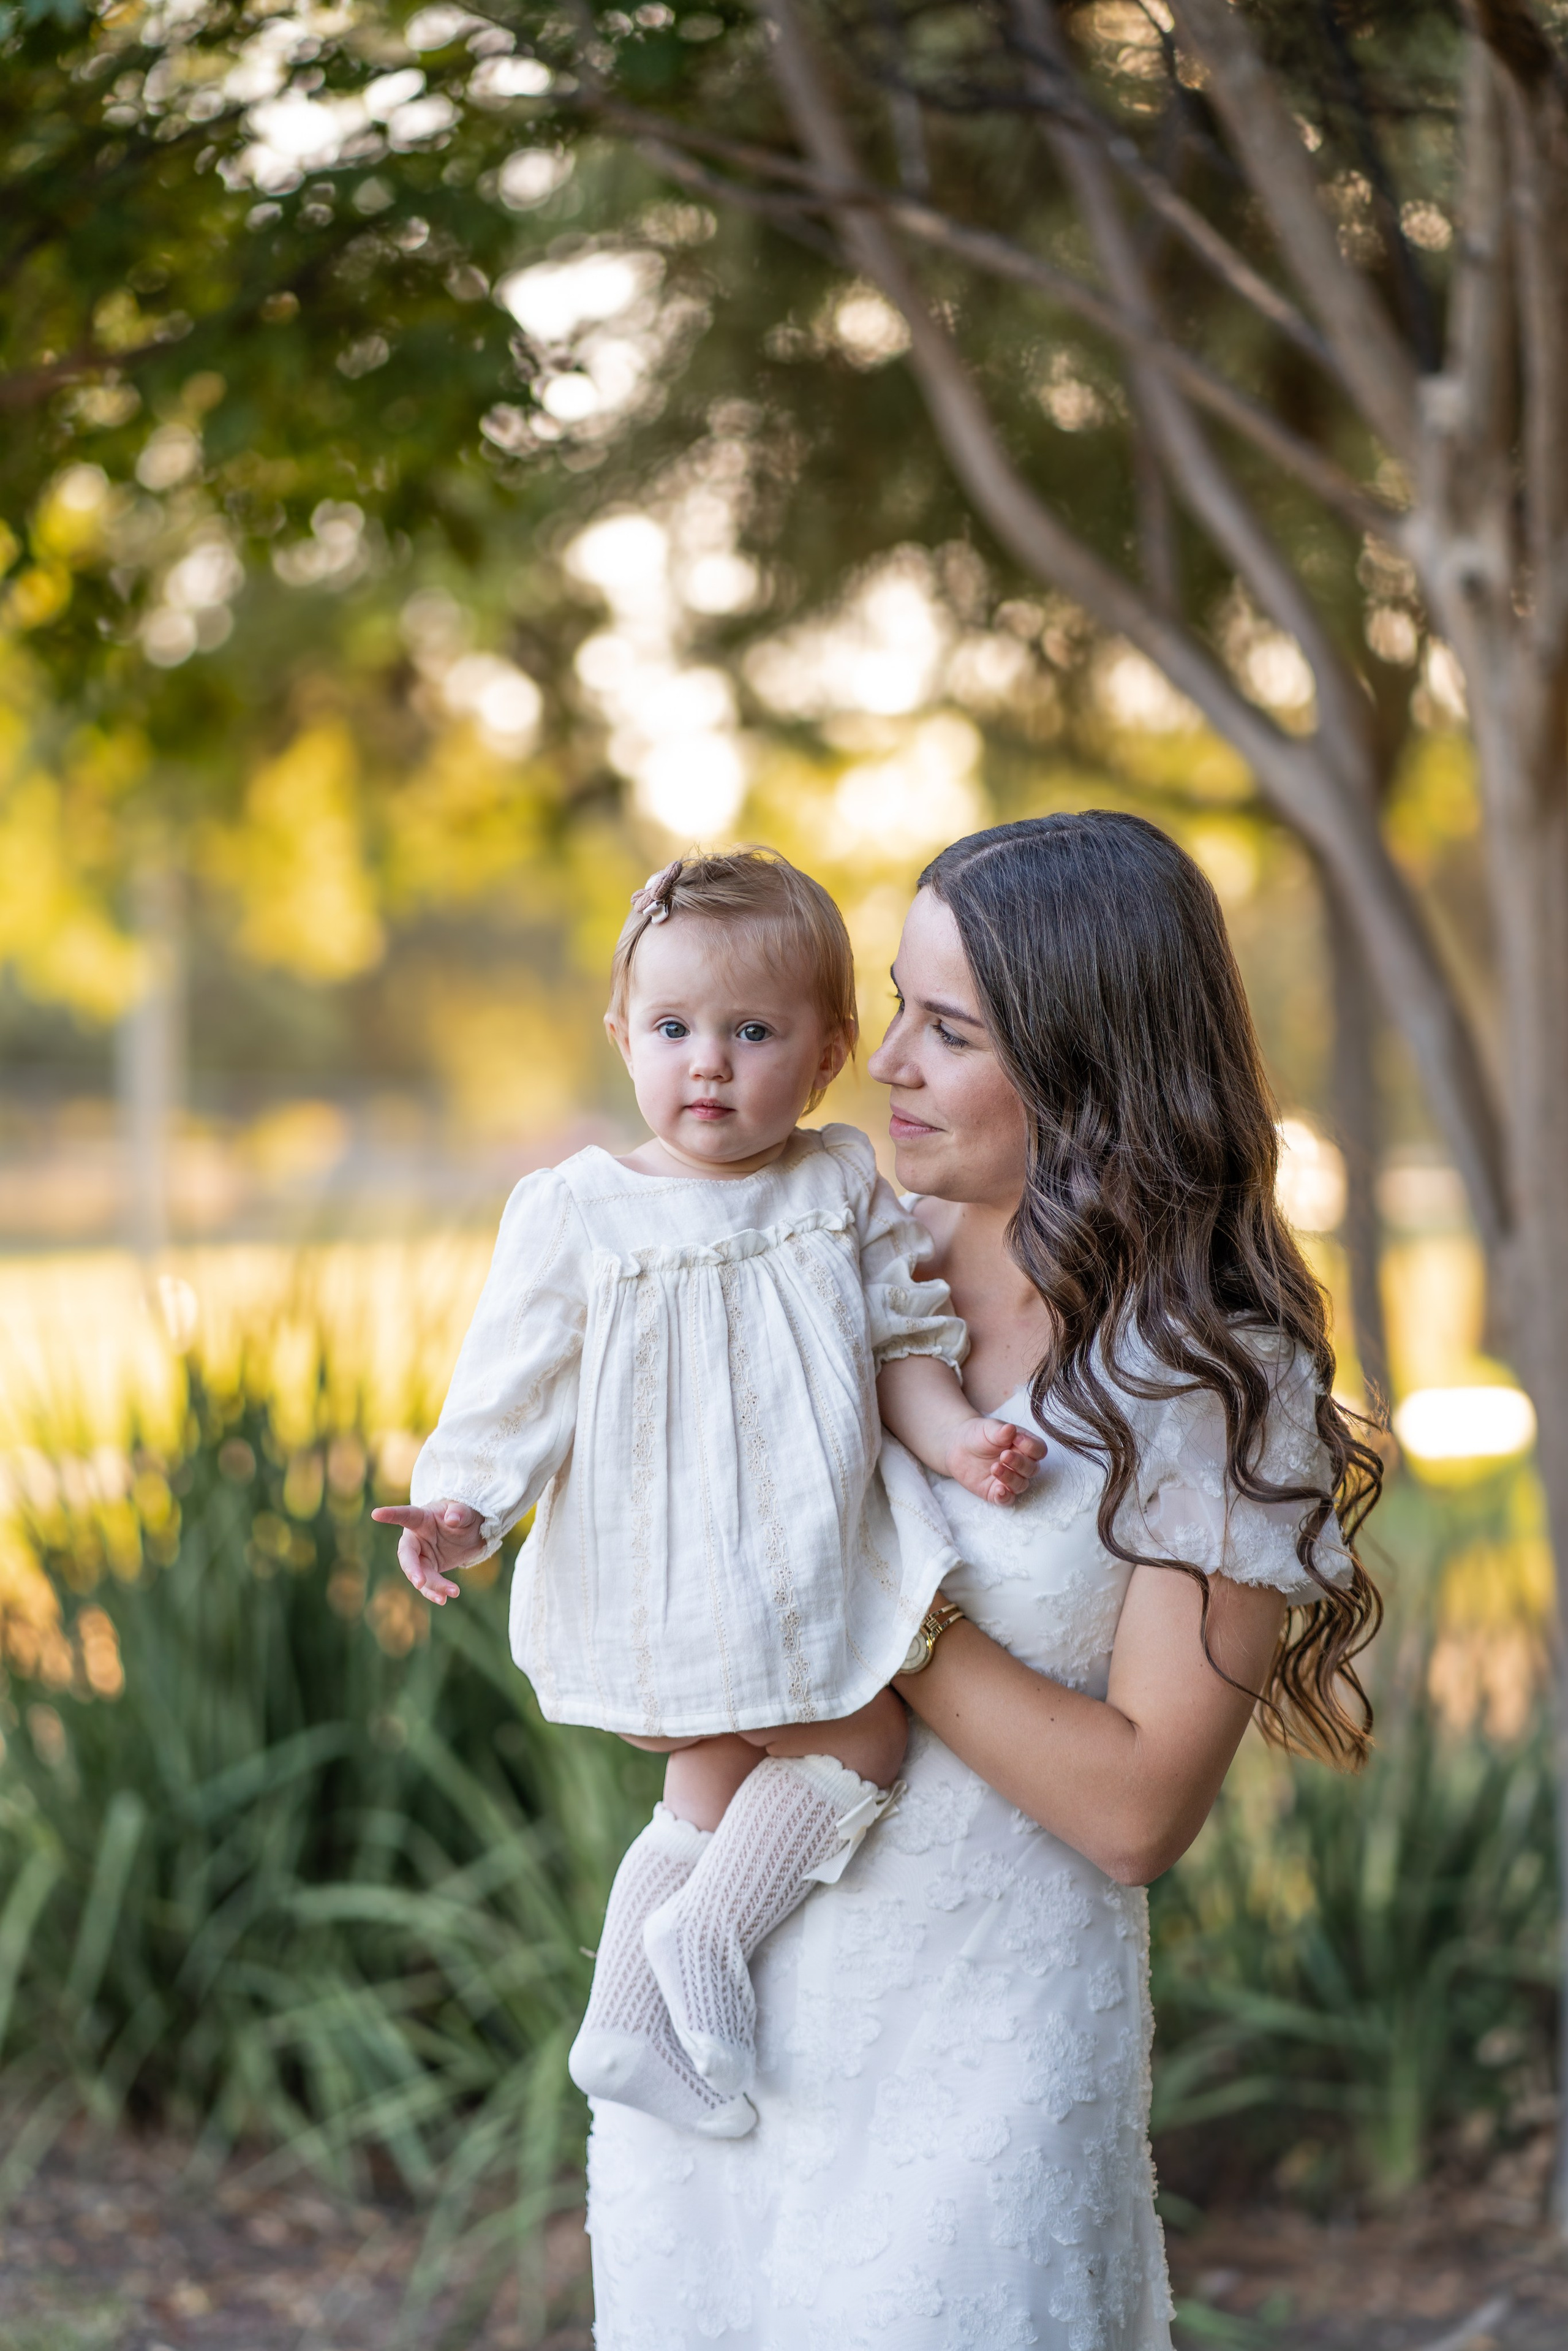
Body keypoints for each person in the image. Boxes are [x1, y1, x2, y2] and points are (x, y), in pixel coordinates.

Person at [585, 812, 1382, 2349]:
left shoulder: (1211, 1373)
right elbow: (683, 1600)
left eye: (946, 1029)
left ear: (1089, 1062)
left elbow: (1138, 1810)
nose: (879, 1059)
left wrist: (871, 1612)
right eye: (895, 1002)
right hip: (722, 2023)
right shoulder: (835, 1245)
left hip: (981, 2065)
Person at [372, 848, 1042, 2139]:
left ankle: (621, 2027)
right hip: (671, 1567)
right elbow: (511, 1384)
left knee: (707, 1793)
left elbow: (898, 1347)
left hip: (786, 1553)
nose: (709, 1064)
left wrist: (959, 1442)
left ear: (829, 1047)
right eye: (673, 1028)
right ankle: (706, 1934)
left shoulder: (839, 1184)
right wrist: (463, 1503)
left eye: (752, 1032)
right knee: (860, 1740)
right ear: (621, 1031)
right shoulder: (581, 1208)